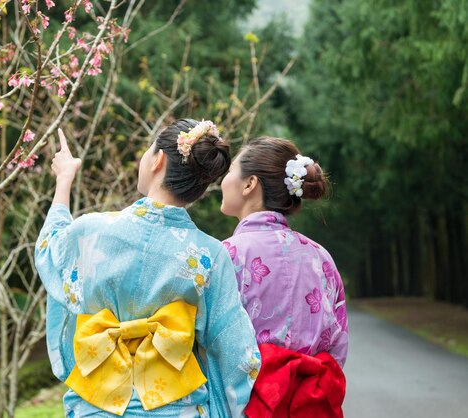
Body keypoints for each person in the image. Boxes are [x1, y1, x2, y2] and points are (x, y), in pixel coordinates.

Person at [35, 119, 260, 417]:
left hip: (95, 408)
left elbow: (51, 251)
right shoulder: (210, 256)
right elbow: (235, 351)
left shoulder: (91, 232)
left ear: (158, 159)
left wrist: (64, 179)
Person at [219, 136, 348, 418]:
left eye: (230, 172)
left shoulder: (227, 255)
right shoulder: (321, 258)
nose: (222, 181)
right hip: (310, 405)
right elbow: (337, 349)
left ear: (249, 183)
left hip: (246, 406)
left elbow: (210, 344)